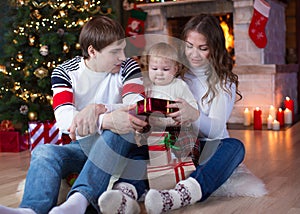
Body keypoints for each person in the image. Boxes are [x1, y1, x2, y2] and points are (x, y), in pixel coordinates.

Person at [98, 14, 245, 214]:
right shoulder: (173, 71)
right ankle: (125, 193)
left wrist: (194, 115)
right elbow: (138, 102)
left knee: (234, 147)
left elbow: (216, 130)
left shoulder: (223, 82)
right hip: (168, 144)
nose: (194, 54)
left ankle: (179, 195)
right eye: (189, 46)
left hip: (202, 147)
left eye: (203, 48)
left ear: (215, 49)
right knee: (142, 148)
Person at [0, 16, 148, 214]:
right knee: (44, 152)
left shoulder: (128, 67)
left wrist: (98, 108)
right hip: (83, 146)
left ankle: (78, 202)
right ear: (92, 51)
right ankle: (30, 210)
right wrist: (105, 119)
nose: (122, 56)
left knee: (118, 128)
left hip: (121, 149)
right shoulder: (65, 72)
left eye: (123, 49)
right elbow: (64, 119)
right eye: (115, 52)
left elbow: (138, 110)